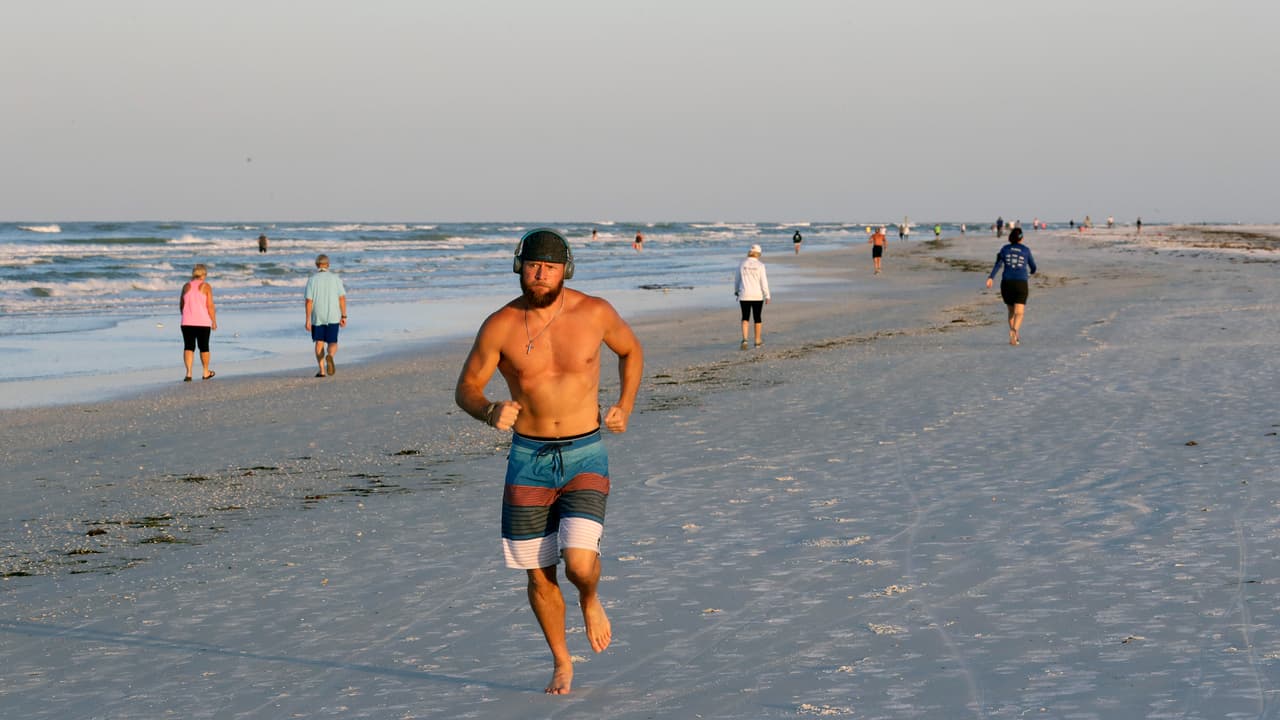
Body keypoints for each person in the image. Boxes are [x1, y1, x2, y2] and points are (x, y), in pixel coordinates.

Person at [454, 228, 643, 696]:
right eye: (534, 265)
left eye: (550, 266)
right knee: (539, 573)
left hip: (584, 452)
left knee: (579, 565)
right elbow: (466, 389)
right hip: (528, 458)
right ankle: (562, 661)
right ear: (520, 266)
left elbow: (631, 350)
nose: (540, 275)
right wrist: (489, 410)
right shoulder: (499, 325)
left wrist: (625, 404)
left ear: (566, 270)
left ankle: (591, 597)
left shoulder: (594, 312)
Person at [985, 226, 1037, 346]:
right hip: (1020, 283)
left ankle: (1014, 335)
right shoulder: (1026, 250)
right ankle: (1014, 332)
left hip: (1007, 283)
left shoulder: (1004, 249)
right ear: (1021, 238)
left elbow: (998, 265)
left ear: (1010, 238)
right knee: (1020, 312)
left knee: (1011, 311)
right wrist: (1032, 272)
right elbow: (1033, 267)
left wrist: (991, 277)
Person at [304, 254, 347, 377]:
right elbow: (342, 298)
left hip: (318, 316)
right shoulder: (335, 278)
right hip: (333, 315)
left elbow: (309, 301)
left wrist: (307, 320)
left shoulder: (312, 280)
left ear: (317, 265)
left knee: (319, 343)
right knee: (333, 342)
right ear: (328, 265)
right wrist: (344, 316)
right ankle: (330, 356)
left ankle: (322, 370)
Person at [179, 264, 218, 381]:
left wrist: (185, 315)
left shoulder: (186, 286)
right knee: (204, 347)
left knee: (188, 347)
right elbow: (210, 306)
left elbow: (181, 304)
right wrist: (214, 321)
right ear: (203, 274)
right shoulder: (206, 286)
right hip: (202, 322)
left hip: (187, 322)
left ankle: (189, 373)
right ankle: (206, 372)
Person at [734, 243, 771, 349]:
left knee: (745, 317)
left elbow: (737, 279)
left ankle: (745, 340)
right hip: (757, 295)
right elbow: (764, 282)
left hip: (744, 294)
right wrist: (767, 295)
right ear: (759, 253)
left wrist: (736, 291)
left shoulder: (742, 264)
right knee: (757, 317)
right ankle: (757, 340)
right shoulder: (760, 265)